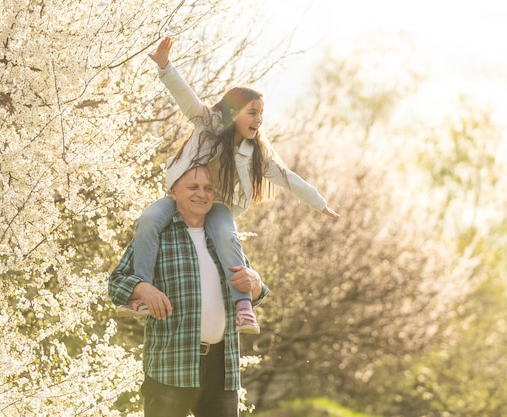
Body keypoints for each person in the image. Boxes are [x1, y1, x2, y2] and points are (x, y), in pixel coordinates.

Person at [117, 36, 339, 334]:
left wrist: (319, 203)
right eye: (253, 112)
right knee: (148, 220)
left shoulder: (256, 153)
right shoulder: (208, 126)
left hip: (217, 206)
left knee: (226, 237)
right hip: (182, 198)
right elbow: (187, 98)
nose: (259, 119)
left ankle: (244, 308)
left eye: (261, 113)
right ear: (234, 113)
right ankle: (140, 292)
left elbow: (288, 178)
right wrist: (165, 66)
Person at [109, 165, 269, 417]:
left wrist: (256, 281)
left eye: (208, 188)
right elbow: (116, 282)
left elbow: (253, 292)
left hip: (222, 368)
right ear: (173, 191)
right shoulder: (156, 234)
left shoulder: (222, 236)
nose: (201, 194)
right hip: (171, 366)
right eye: (193, 187)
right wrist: (142, 288)